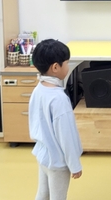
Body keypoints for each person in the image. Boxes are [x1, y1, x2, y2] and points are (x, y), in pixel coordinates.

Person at [28, 39, 83, 200]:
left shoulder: (38, 90)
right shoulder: (59, 99)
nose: (68, 66)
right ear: (55, 67)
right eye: (67, 63)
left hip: (43, 154)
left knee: (42, 194)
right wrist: (74, 164)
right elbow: (66, 135)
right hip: (58, 160)